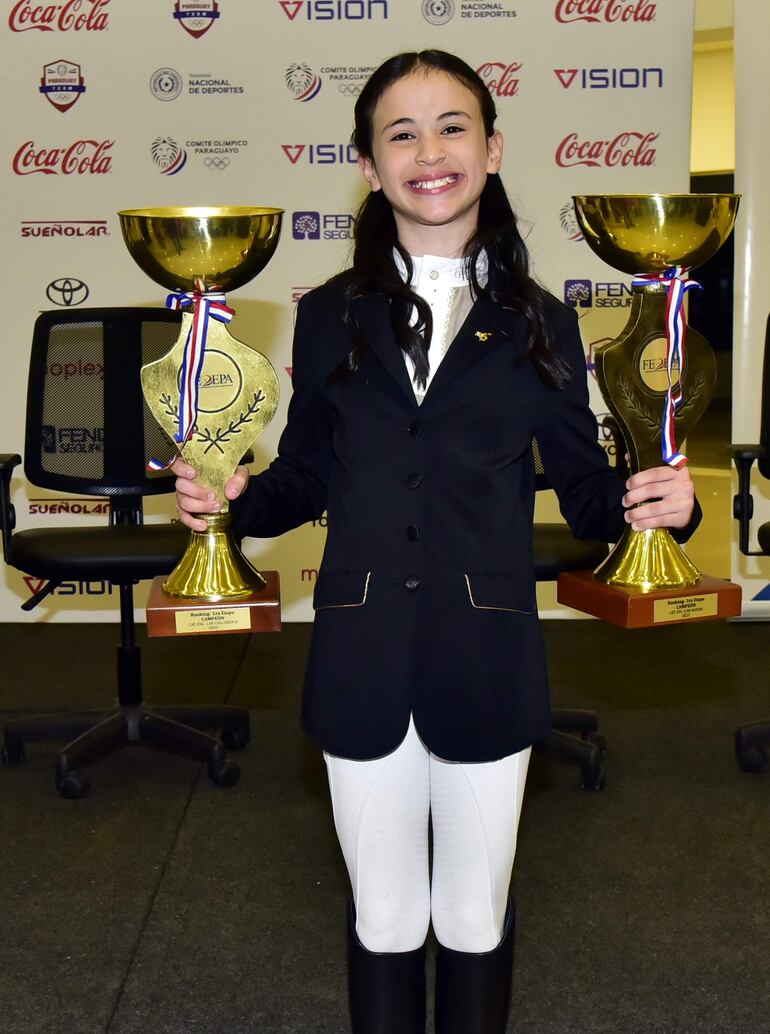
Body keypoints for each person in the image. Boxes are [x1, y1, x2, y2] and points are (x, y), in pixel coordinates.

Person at [173, 50, 698, 1034]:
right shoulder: (328, 314)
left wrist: (661, 502)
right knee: (383, 915)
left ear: (491, 149)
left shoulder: (540, 321)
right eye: (400, 133)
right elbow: (308, 473)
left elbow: (588, 496)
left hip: (486, 652)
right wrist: (235, 498)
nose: (429, 152)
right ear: (368, 166)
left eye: (452, 127)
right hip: (360, 649)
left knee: (471, 913)